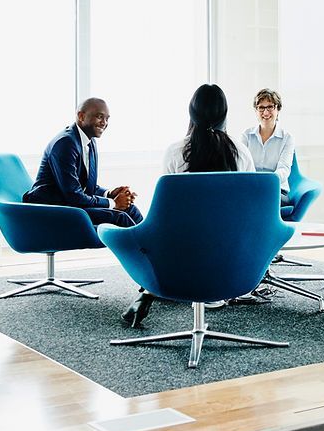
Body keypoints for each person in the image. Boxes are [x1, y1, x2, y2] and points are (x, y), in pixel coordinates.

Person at [125, 84, 255, 328]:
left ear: (191, 114)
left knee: (153, 232)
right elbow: (250, 209)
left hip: (183, 252)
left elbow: (166, 211)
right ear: (225, 115)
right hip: (232, 255)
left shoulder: (175, 152)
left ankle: (150, 289)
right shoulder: (241, 153)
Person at [22, 98, 142, 228]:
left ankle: (152, 241)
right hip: (53, 208)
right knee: (120, 217)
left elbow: (86, 187)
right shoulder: (65, 143)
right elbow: (74, 195)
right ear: (81, 116)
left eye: (107, 118)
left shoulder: (90, 141)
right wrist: (114, 203)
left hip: (71, 204)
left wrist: (110, 193)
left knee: (130, 209)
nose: (104, 123)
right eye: (99, 117)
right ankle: (143, 242)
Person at [161, 83, 255, 174]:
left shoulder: (173, 153)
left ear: (192, 114)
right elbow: (253, 185)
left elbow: (166, 185)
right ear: (224, 117)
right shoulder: (242, 153)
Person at [242, 88, 297, 205]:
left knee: (260, 199)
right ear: (256, 110)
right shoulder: (246, 135)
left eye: (270, 107)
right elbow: (241, 165)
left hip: (277, 189)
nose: (266, 113)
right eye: (261, 108)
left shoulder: (287, 138)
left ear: (278, 109)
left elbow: (284, 169)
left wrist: (267, 182)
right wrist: (254, 184)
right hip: (250, 188)